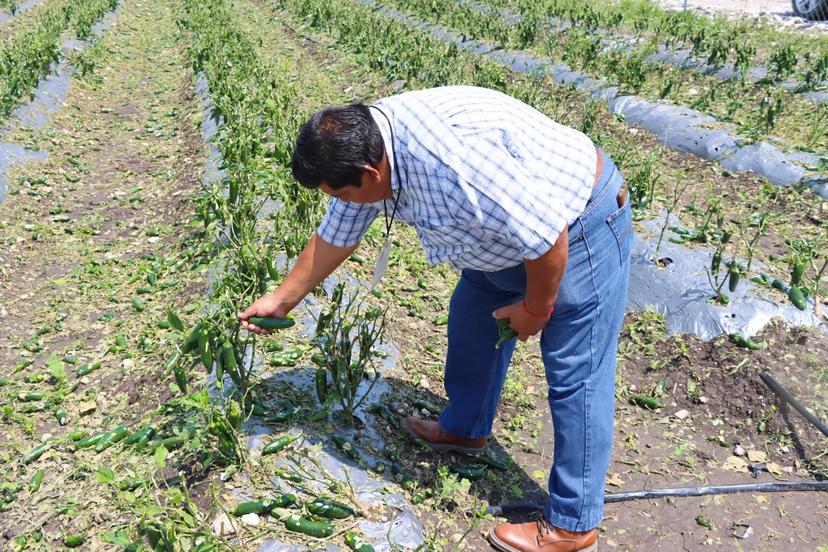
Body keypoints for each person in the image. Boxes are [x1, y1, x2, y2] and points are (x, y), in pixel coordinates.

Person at [238, 86, 632, 552]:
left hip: (579, 226)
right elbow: (336, 232)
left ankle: (573, 523)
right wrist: (283, 300)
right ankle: (466, 430)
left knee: (576, 372)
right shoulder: (371, 148)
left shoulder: (455, 162)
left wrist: (534, 310)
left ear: (370, 172)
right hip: (498, 241)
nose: (343, 200)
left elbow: (548, 239)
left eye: (342, 192)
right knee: (471, 322)